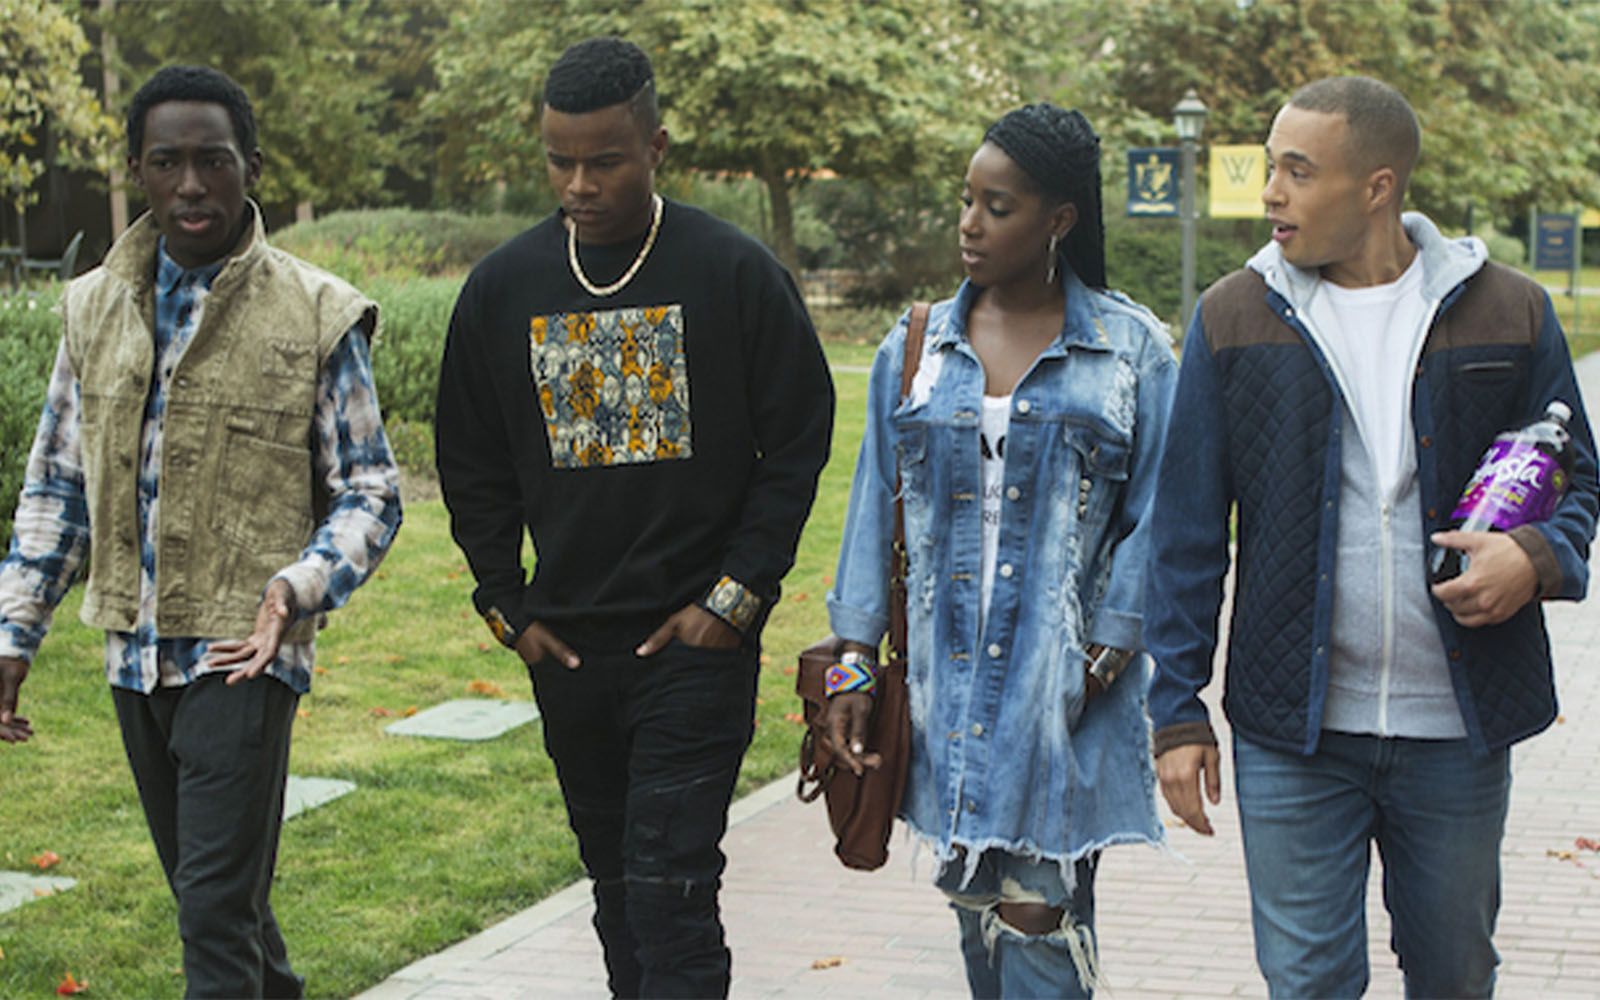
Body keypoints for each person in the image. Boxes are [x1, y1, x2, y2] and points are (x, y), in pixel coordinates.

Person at [1145, 75, 1598, 998]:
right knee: (1306, 980)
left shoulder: (1508, 310)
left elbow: (1577, 478)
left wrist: (1537, 557)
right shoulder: (1233, 316)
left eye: (1298, 172)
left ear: (1377, 186)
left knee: (1454, 974)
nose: (1271, 193)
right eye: (1271, 168)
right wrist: (1177, 710)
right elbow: (1187, 529)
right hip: (1293, 732)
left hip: (1459, 728)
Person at [433, 36, 833, 999]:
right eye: (559, 162)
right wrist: (506, 607)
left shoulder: (733, 272)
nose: (579, 185)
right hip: (570, 652)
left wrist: (735, 598)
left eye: (604, 161)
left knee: (671, 895)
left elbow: (798, 442)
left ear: (656, 148)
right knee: (617, 895)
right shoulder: (502, 289)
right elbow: (470, 463)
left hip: (693, 649)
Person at [0, 65, 401, 997]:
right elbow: (58, 485)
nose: (191, 185)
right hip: (133, 655)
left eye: (213, 161)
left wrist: (294, 589)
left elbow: (371, 491)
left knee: (213, 910)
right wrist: (14, 632)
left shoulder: (316, 311)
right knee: (218, 901)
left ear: (250, 168)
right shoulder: (91, 307)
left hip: (244, 654)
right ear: (139, 170)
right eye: (167, 162)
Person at [826, 103, 1176, 999]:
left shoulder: (1130, 351)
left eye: (998, 206)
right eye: (967, 200)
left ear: (1059, 219)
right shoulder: (917, 347)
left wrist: (1101, 658)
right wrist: (852, 669)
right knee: (979, 930)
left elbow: (1162, 519)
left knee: (1040, 931)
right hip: (943, 695)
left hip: (1060, 700)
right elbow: (870, 511)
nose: (970, 224)